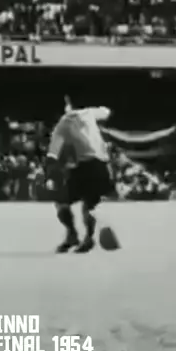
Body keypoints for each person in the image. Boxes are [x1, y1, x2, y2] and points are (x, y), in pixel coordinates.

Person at [44, 97, 117, 254]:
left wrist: (50, 173)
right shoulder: (89, 113)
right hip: (102, 166)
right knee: (89, 205)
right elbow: (107, 112)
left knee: (61, 202)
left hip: (84, 166)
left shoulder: (61, 126)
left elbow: (52, 155)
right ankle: (89, 238)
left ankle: (72, 235)